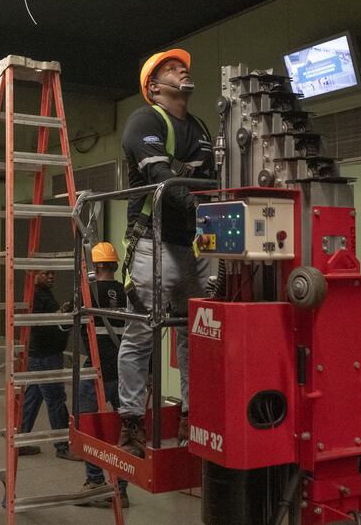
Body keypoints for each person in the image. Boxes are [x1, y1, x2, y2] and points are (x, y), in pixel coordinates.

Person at [117, 48, 214, 458]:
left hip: (195, 242)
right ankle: (131, 423)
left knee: (197, 332)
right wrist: (201, 208)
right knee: (142, 332)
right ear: (154, 88)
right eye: (172, 69)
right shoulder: (144, 121)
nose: (182, 70)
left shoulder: (201, 128)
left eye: (183, 66)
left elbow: (213, 179)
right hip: (152, 241)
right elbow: (160, 176)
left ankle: (193, 415)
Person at [77, 242, 130, 508]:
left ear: (95, 266)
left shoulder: (87, 293)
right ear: (114, 264)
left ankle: (95, 482)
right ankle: (121, 488)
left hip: (96, 371)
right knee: (126, 430)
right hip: (124, 372)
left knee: (91, 428)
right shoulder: (128, 294)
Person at [18, 270, 82, 461]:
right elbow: (44, 325)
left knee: (33, 397)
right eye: (46, 274)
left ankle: (20, 440)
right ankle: (63, 446)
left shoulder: (42, 294)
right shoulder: (37, 296)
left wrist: (60, 314)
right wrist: (61, 315)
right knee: (56, 399)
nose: (51, 276)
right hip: (45, 356)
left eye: (52, 273)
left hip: (40, 355)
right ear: (34, 275)